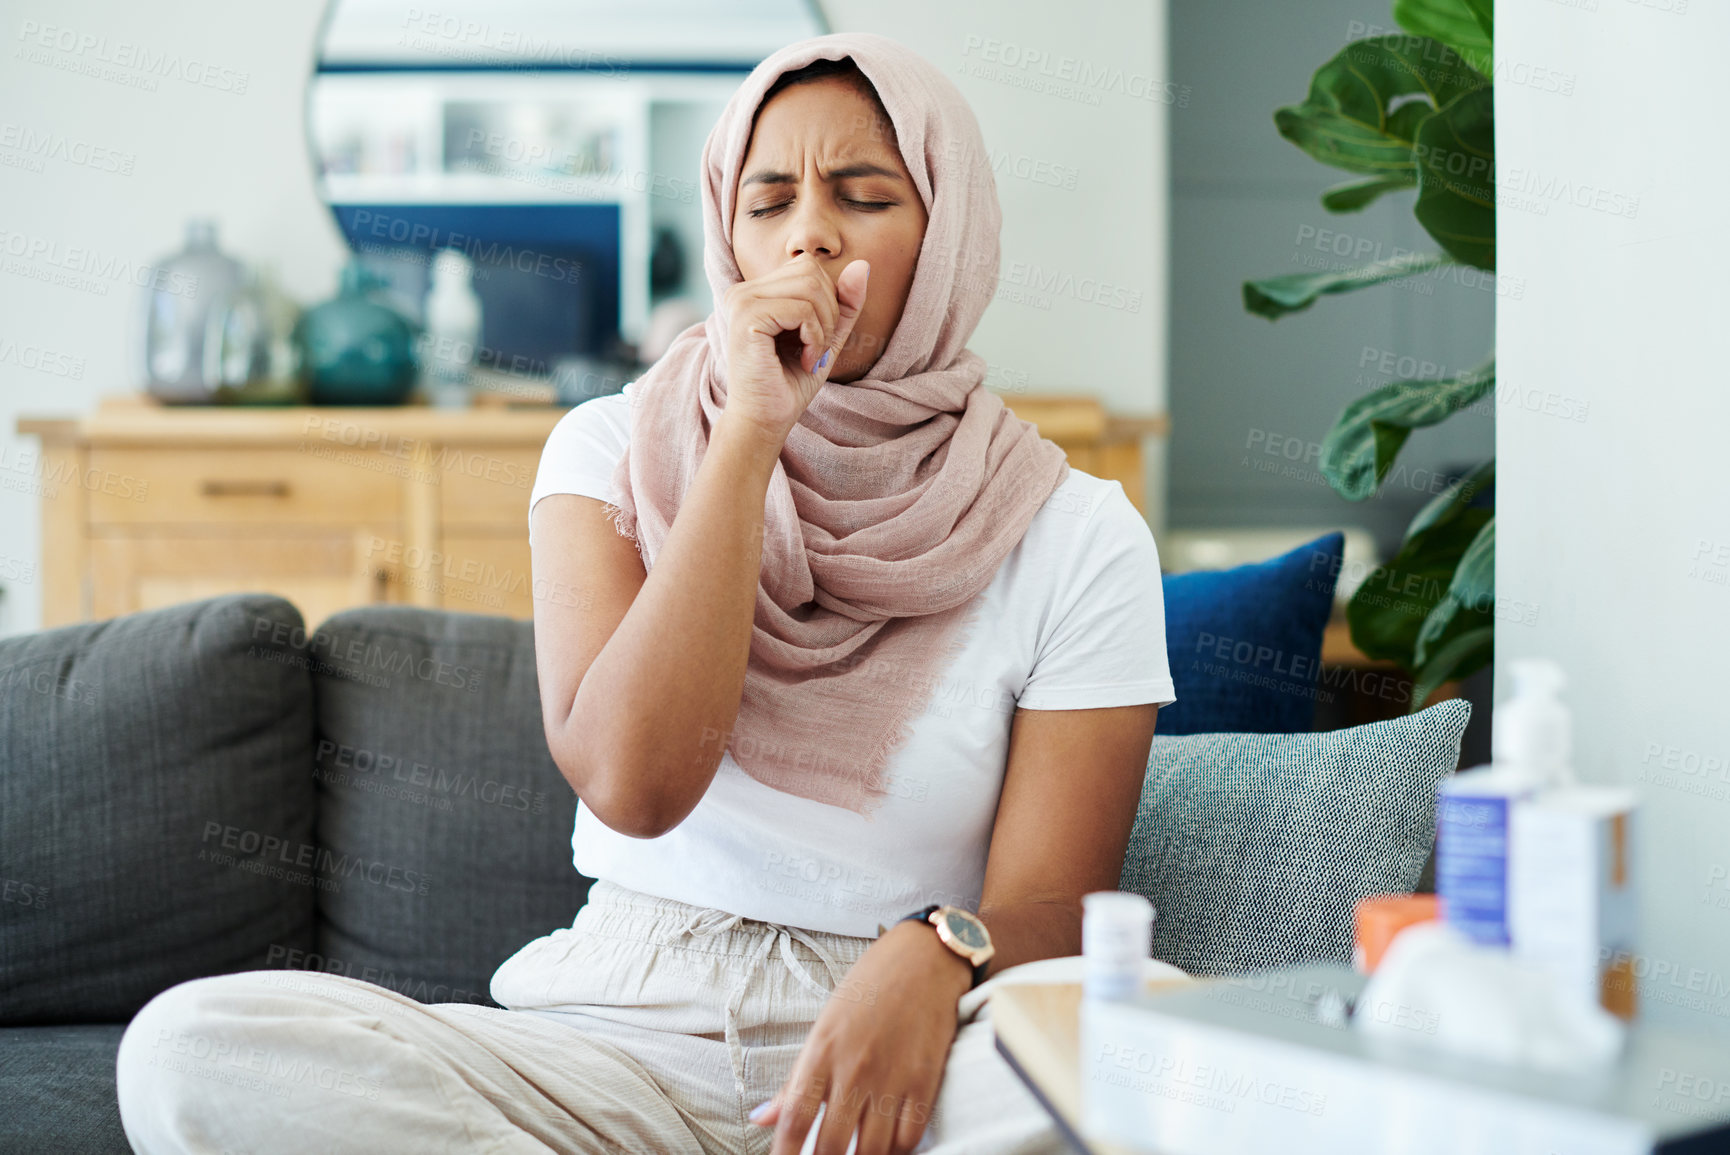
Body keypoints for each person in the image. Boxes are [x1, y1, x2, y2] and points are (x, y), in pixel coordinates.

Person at [116, 31, 1175, 1155]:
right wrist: (748, 440)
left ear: (950, 233)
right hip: (612, 1046)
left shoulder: (1075, 530)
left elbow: (1059, 909)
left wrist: (936, 950)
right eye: (766, 203)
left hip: (902, 1050)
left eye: (862, 196)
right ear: (728, 234)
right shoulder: (608, 448)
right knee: (195, 1045)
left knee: (1144, 1049)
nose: (807, 231)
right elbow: (634, 780)